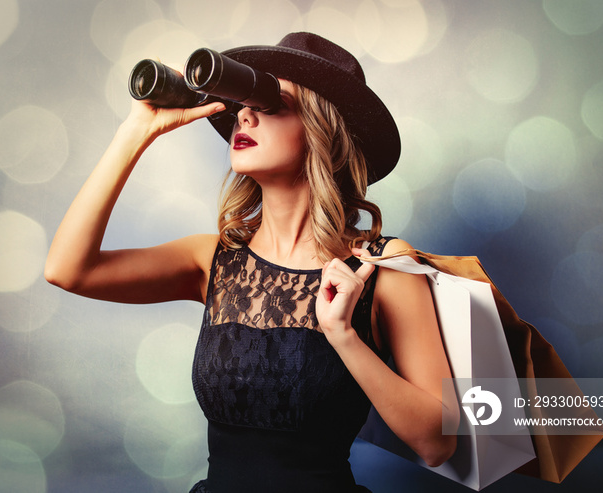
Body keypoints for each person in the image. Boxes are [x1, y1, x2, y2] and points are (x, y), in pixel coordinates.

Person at [45, 32, 459, 493]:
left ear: (324, 133)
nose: (244, 113)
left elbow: (437, 444)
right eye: (244, 103)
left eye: (270, 104)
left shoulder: (381, 274)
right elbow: (68, 269)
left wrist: (344, 336)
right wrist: (136, 132)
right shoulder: (212, 260)